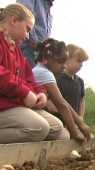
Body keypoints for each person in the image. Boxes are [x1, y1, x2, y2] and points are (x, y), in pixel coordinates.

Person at [0, 3, 69, 143]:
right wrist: (24, 92)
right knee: (38, 128)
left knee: (60, 133)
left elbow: (29, 79)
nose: (28, 36)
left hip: (14, 104)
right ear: (13, 21)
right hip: (4, 105)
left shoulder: (16, 50)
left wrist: (39, 93)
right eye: (27, 29)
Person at [32, 38, 91, 143]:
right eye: (60, 62)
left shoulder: (43, 70)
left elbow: (63, 102)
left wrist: (80, 123)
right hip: (32, 112)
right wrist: (75, 131)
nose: (64, 66)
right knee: (57, 128)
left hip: (35, 112)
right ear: (48, 59)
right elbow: (61, 104)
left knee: (63, 136)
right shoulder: (43, 72)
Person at [17, 0, 54, 67]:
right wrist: (35, 42)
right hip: (26, 49)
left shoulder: (48, 6)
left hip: (36, 52)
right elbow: (23, 16)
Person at [57, 44, 88, 118]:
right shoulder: (57, 79)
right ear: (67, 59)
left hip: (77, 121)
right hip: (61, 121)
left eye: (82, 62)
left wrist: (81, 117)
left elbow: (82, 101)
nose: (81, 65)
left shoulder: (80, 81)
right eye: (78, 61)